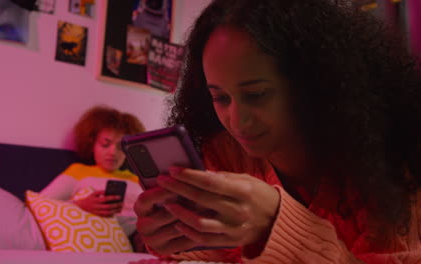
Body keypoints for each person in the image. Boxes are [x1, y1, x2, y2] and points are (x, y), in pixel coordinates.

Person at [133, 0, 421, 263]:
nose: (236, 121)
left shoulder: (383, 166)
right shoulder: (225, 152)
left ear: (312, 84)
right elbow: (222, 255)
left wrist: (275, 223)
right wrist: (180, 240)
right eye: (220, 98)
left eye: (256, 94)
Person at [40, 105, 146, 252]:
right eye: (105, 144)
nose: (112, 152)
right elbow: (41, 203)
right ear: (92, 144)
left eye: (120, 147)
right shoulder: (78, 171)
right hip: (101, 233)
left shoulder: (137, 179)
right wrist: (79, 205)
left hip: (141, 235)